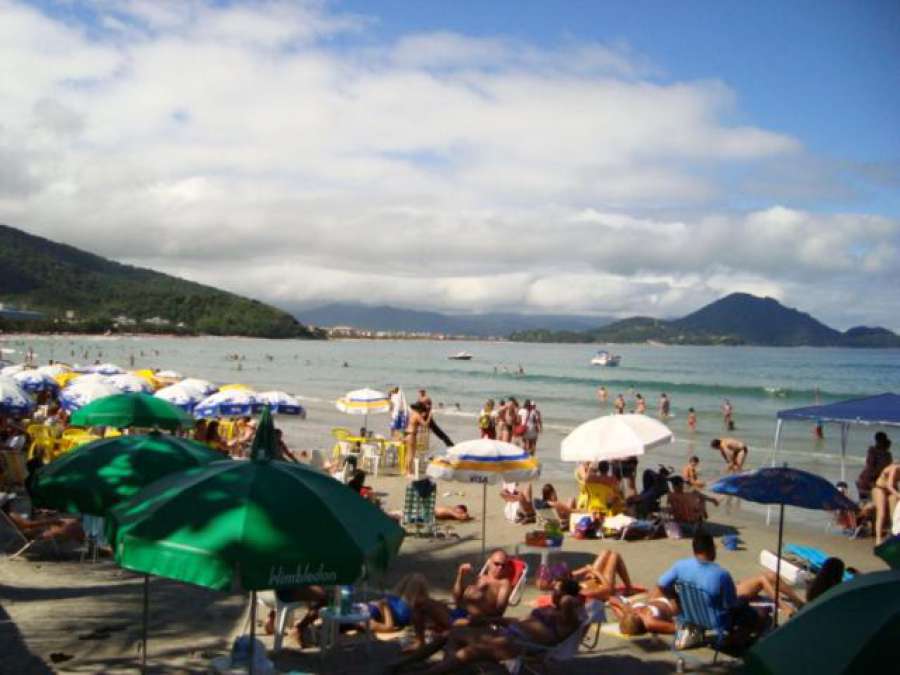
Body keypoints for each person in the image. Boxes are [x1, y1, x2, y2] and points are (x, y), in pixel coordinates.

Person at [400, 578, 584, 675]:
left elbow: (568, 601)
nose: (555, 594)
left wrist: (571, 593)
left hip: (521, 645)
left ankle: (428, 673)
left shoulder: (568, 618)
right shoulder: (548, 609)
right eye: (554, 590)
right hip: (507, 633)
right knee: (452, 634)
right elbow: (520, 621)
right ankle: (409, 664)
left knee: (472, 651)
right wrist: (496, 620)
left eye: (558, 591)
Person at [657, 533, 765, 647]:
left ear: (694, 550)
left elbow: (662, 584)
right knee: (753, 613)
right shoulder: (721, 574)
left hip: (689, 615)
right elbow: (731, 603)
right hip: (714, 620)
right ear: (711, 549)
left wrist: (674, 600)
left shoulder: (680, 566)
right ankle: (735, 642)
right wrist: (743, 599)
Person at [856, 431, 892, 501]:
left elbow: (870, 465)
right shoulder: (876, 452)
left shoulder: (875, 451)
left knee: (867, 501)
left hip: (869, 480)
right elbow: (871, 466)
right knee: (869, 501)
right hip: (869, 481)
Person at [873, 462, 900, 546]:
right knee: (881, 513)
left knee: (895, 514)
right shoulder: (894, 468)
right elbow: (889, 485)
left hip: (892, 491)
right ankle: (878, 539)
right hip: (880, 488)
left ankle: (894, 536)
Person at [404, 402, 428, 477]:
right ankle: (409, 472)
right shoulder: (417, 415)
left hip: (407, 434)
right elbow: (425, 424)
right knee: (411, 454)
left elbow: (415, 423)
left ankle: (406, 471)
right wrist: (429, 417)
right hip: (412, 435)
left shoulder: (412, 414)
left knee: (408, 454)